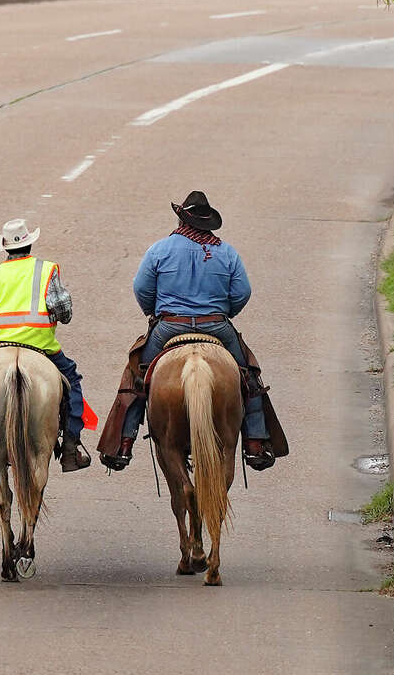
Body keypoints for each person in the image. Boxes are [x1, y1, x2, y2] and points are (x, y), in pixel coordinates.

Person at [103, 190, 274, 472]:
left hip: (169, 327)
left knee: (135, 376)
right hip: (216, 327)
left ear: (182, 220)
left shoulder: (160, 249)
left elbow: (142, 289)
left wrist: (154, 312)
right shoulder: (226, 252)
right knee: (250, 377)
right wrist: (223, 313)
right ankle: (256, 441)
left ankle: (123, 443)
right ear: (207, 223)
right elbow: (242, 292)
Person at [0, 217, 91, 472]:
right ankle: (70, 447)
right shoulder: (46, 270)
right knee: (72, 382)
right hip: (41, 344)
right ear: (30, 245)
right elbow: (64, 312)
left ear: (5, 249)